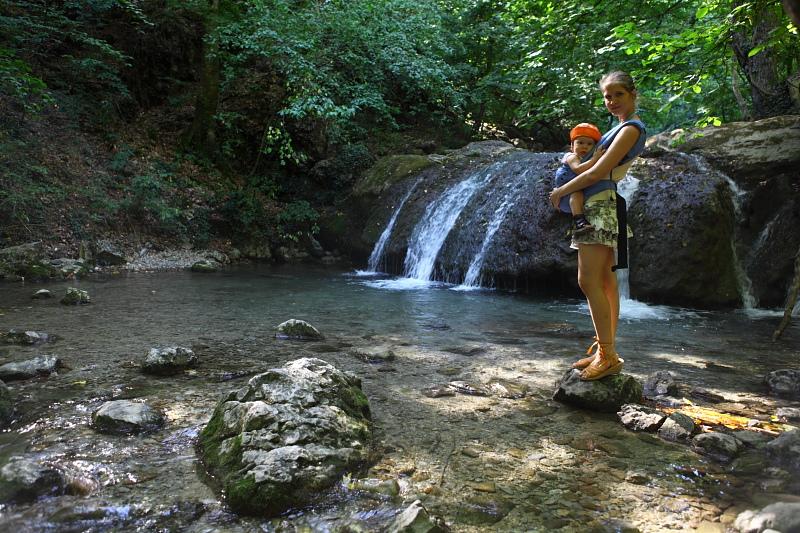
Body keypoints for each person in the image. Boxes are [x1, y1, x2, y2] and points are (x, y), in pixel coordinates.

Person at [548, 71, 647, 381]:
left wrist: (562, 191)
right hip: (601, 204)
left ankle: (608, 355)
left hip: (600, 207)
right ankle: (605, 350)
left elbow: (598, 171)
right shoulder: (615, 129)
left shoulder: (630, 129)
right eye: (607, 96)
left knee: (588, 280)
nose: (612, 101)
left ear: (633, 94)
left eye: (618, 94)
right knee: (604, 281)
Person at [553, 123, 606, 236]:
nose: (584, 146)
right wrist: (595, 158)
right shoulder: (572, 157)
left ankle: (580, 221)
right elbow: (578, 169)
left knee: (578, 194)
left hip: (571, 198)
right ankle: (580, 222)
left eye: (589, 144)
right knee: (576, 194)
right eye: (580, 142)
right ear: (572, 146)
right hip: (564, 196)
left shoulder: (585, 159)